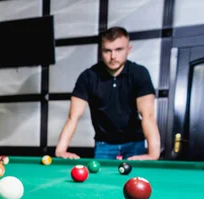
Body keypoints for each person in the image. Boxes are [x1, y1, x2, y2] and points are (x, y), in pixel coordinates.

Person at [54, 27, 161, 160]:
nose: (113, 56)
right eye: (107, 50)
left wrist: (153, 154)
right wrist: (61, 149)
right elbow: (73, 117)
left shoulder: (139, 74)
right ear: (101, 51)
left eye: (119, 49)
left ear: (129, 49)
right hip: (104, 145)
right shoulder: (88, 77)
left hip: (135, 144)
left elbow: (148, 116)